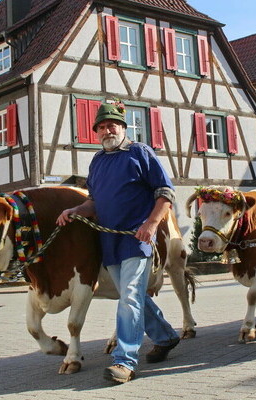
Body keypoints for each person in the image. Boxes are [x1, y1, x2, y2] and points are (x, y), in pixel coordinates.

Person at [56, 100, 180, 384]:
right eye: (100, 127)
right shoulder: (98, 161)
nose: (106, 130)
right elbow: (94, 201)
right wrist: (75, 210)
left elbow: (165, 193)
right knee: (131, 297)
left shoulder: (140, 152)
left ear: (124, 127)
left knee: (130, 297)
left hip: (136, 239)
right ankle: (166, 336)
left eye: (112, 125)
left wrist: (151, 224)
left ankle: (125, 361)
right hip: (108, 243)